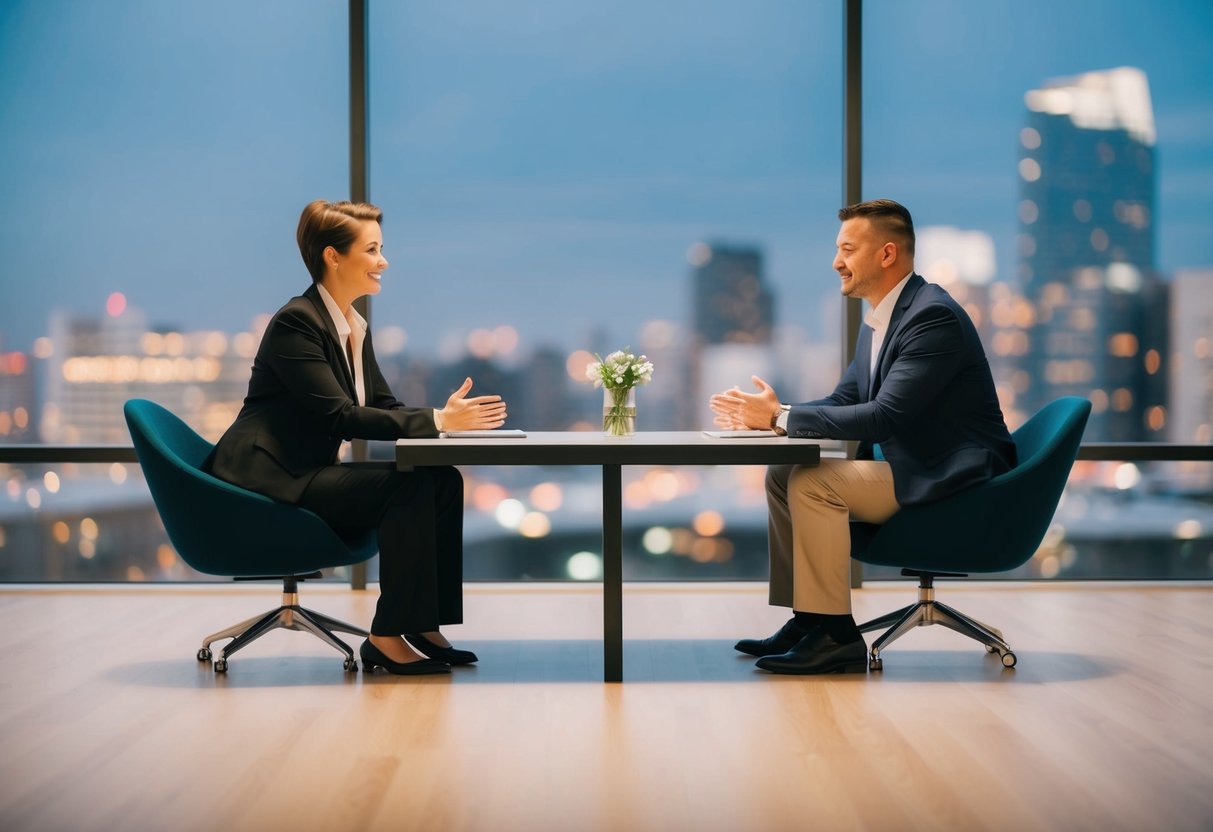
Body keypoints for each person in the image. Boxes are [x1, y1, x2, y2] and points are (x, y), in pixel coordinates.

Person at [709, 199, 1017, 675]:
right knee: (784, 471)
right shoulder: (881, 320)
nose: (836, 262)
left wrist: (783, 416)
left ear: (887, 254)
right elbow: (843, 399)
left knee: (816, 484)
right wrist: (778, 415)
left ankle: (836, 638)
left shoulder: (931, 318)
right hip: (913, 464)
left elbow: (881, 418)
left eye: (848, 249)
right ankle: (810, 619)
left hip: (951, 477)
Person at [206, 199, 508, 675]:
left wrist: (445, 418)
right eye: (372, 249)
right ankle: (384, 637)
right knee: (406, 487)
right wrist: (439, 420)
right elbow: (342, 416)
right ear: (333, 256)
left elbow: (381, 406)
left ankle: (420, 622)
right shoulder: (297, 322)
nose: (384, 261)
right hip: (270, 478)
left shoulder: (351, 326)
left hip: (306, 470)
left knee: (443, 480)